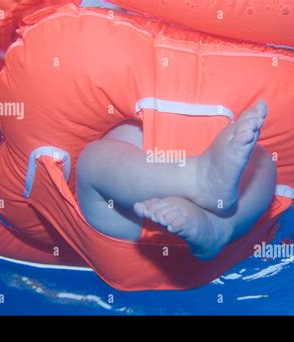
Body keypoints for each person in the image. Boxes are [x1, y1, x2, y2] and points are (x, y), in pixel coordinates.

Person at [76, 100, 276, 260]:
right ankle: (208, 202)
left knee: (91, 162)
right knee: (261, 162)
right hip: (129, 238)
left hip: (127, 245)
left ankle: (206, 198)